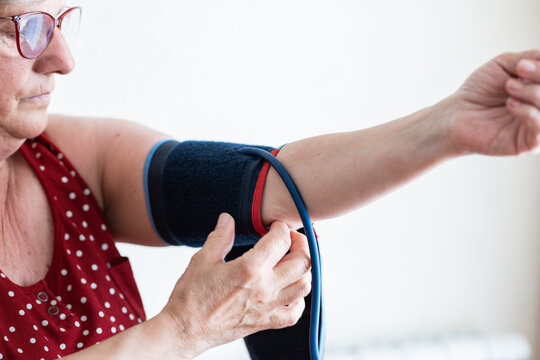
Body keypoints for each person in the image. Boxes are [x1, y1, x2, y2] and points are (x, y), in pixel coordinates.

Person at [0, 0, 539, 359]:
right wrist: (184, 329)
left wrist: (448, 126)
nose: (63, 59)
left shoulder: (67, 156)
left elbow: (265, 186)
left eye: (60, 22)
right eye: (26, 28)